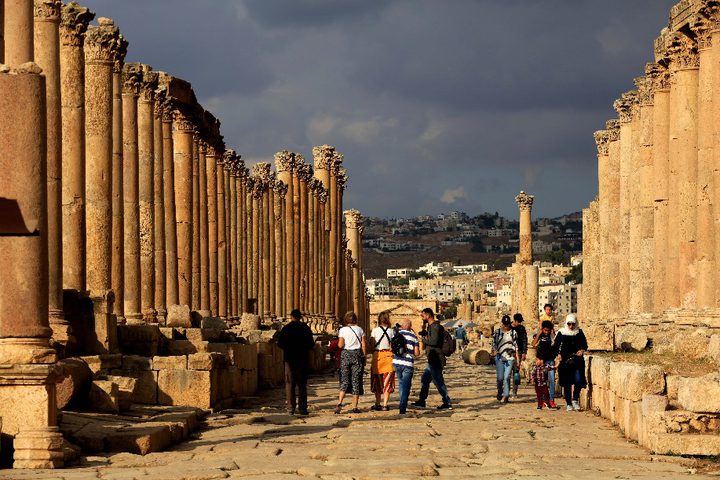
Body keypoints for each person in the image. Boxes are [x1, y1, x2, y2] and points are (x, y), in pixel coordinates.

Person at [412, 308, 453, 410]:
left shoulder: (435, 327)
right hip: (432, 358)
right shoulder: (431, 326)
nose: (422, 318)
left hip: (436, 359)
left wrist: (424, 340)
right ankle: (422, 401)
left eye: (423, 316)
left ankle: (447, 401)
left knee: (438, 381)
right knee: (425, 379)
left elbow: (434, 341)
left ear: (428, 315)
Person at [277, 309, 315, 415]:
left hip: (289, 359)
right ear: (300, 317)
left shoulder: (286, 328)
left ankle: (290, 408)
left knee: (290, 383)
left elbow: (280, 344)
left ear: (291, 317)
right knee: (302, 384)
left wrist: (288, 348)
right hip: (302, 358)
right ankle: (302, 408)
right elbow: (311, 344)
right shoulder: (305, 328)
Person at [554, 314, 588, 411]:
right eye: (569, 324)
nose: (571, 326)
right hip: (565, 361)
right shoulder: (561, 332)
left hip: (577, 360)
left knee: (578, 380)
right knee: (567, 382)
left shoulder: (579, 332)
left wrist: (581, 350)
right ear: (566, 323)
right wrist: (558, 355)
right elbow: (556, 346)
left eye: (573, 324)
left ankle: (575, 400)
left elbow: (584, 345)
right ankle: (568, 403)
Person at [335, 311, 367, 414]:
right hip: (357, 354)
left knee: (344, 380)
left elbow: (340, 345)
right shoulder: (360, 329)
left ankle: (339, 403)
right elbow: (363, 345)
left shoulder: (343, 330)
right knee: (356, 381)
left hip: (346, 355)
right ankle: (355, 406)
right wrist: (364, 356)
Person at [392, 318, 421, 414]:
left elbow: (391, 347)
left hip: (396, 362)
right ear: (410, 326)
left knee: (400, 383)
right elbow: (417, 353)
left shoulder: (396, 334)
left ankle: (402, 402)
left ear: (402, 325)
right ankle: (402, 406)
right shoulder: (413, 336)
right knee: (406, 386)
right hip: (408, 363)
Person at [369, 311, 396, 411]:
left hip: (377, 356)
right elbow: (392, 345)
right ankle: (385, 404)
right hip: (388, 356)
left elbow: (372, 344)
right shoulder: (391, 331)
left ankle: (377, 403)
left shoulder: (375, 331)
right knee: (387, 380)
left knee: (377, 380)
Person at [492, 315, 520, 403]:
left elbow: (516, 346)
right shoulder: (497, 332)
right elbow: (493, 344)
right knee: (500, 378)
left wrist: (517, 359)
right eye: (505, 324)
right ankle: (500, 391)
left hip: (510, 357)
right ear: (502, 323)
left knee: (507, 376)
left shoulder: (513, 333)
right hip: (500, 357)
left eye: (507, 324)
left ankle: (506, 395)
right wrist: (494, 351)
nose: (506, 326)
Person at [532, 320, 558, 409]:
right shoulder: (540, 335)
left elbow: (556, 343)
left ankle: (551, 400)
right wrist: (539, 333)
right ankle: (544, 400)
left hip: (550, 361)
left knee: (551, 380)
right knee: (542, 382)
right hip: (541, 361)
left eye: (548, 330)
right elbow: (533, 344)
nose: (546, 332)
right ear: (542, 329)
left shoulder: (551, 335)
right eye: (545, 330)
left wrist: (553, 332)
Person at [510, 313, 528, 398]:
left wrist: (524, 352)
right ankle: (506, 390)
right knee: (507, 373)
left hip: (519, 352)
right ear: (515, 321)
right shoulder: (509, 328)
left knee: (516, 372)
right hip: (509, 352)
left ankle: (514, 392)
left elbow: (524, 340)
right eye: (519, 322)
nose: (520, 323)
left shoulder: (522, 328)